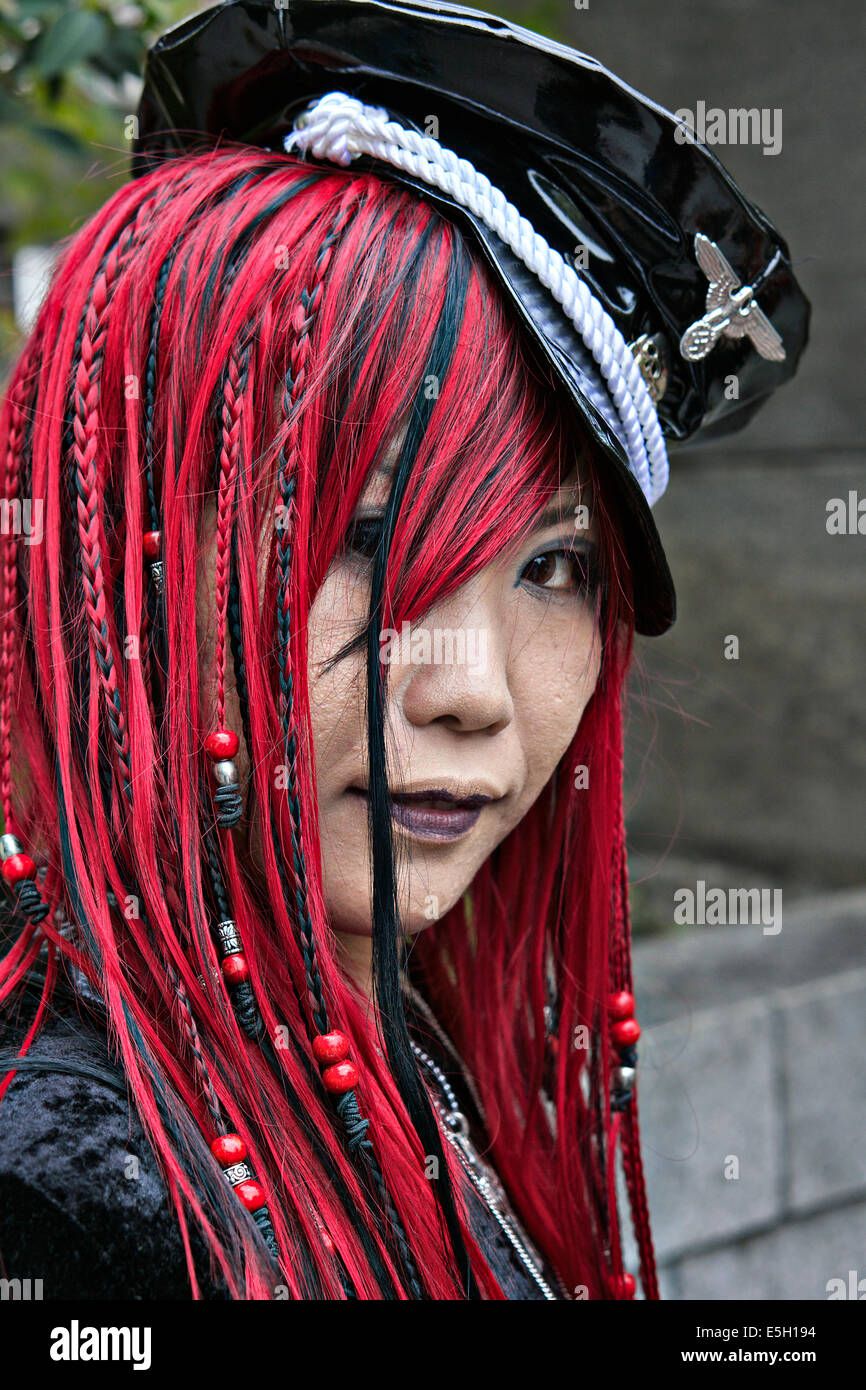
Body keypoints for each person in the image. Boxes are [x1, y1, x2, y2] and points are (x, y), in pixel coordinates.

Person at [0, 0, 809, 1301]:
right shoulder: (54, 1188)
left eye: (554, 566)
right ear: (123, 552)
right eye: (369, 539)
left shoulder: (363, 1026)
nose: (475, 688)